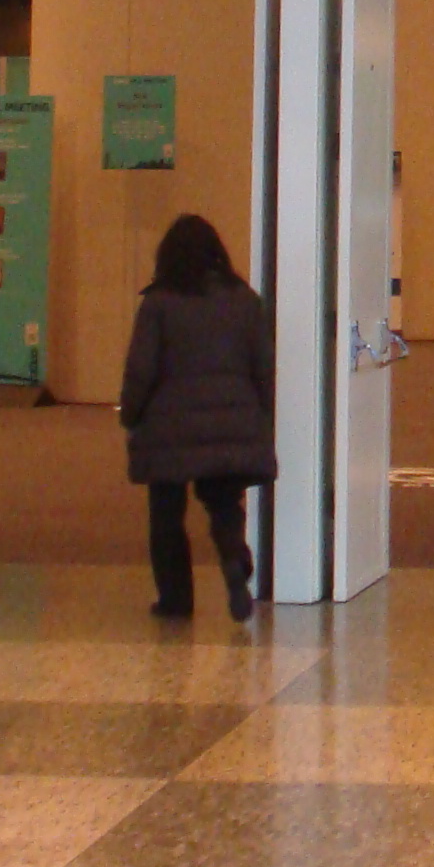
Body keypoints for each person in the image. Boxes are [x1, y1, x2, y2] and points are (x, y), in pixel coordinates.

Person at [118, 212, 273, 623]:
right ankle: (234, 560)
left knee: (166, 513)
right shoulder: (245, 300)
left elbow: (140, 370)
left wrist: (130, 414)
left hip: (168, 427)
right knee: (224, 503)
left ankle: (176, 599)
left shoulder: (158, 303)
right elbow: (263, 367)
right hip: (231, 421)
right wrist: (260, 416)